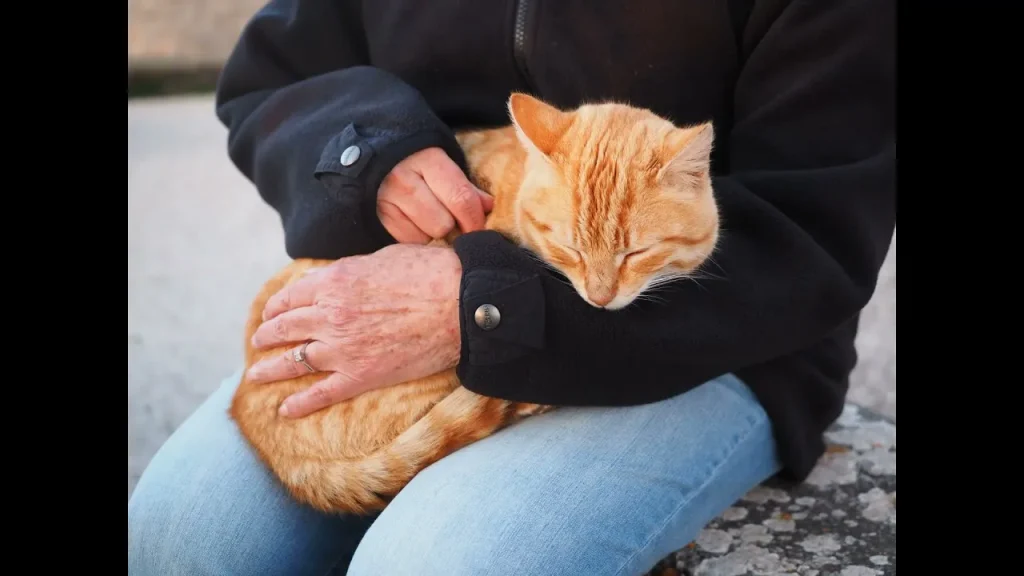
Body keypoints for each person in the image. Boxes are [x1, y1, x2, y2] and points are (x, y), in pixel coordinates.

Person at [127, 0, 896, 574]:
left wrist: (485, 310)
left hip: (707, 330)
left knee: (432, 563)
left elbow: (815, 233)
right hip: (434, 264)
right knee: (181, 533)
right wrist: (371, 153)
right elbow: (271, 77)